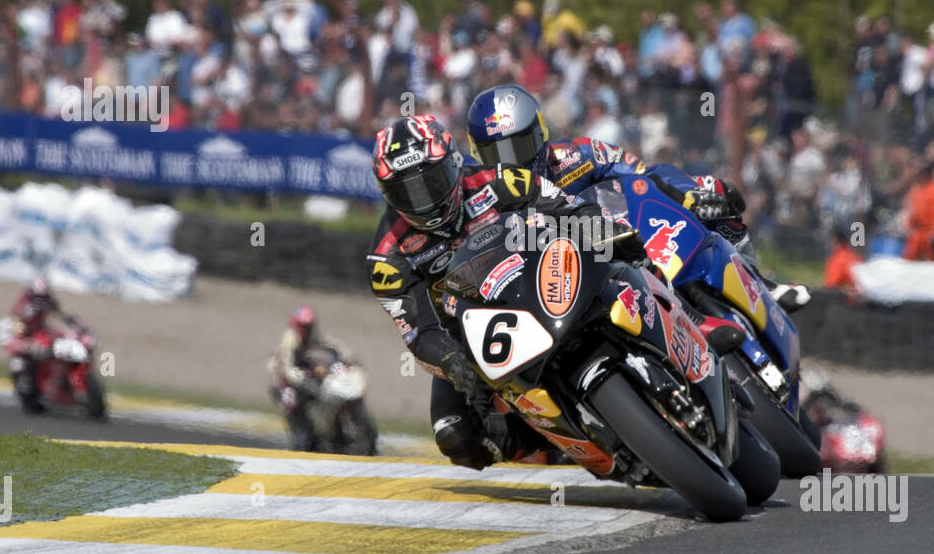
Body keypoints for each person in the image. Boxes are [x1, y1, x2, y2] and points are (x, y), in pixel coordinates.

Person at [367, 114, 648, 470]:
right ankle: (555, 439)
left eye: (431, 182)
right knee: (455, 436)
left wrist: (600, 227)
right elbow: (419, 332)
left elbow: (563, 205)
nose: (423, 201)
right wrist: (454, 364)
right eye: (406, 191)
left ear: (454, 164)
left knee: (618, 261)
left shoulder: (498, 180)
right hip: (468, 336)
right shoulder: (387, 258)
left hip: (540, 281)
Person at [463, 83, 811, 313]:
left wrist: (691, 194)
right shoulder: (484, 204)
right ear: (480, 156)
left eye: (520, 146)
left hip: (624, 242)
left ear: (540, 132)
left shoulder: (579, 153)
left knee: (708, 189)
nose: (515, 163)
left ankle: (759, 285)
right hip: (565, 290)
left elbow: (644, 174)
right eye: (499, 155)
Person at [267, 305, 357, 449]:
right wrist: (296, 376)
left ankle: (329, 430)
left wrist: (343, 352)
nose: (308, 329)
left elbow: (325, 343)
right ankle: (301, 438)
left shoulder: (310, 334)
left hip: (302, 370)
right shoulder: (290, 339)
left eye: (309, 325)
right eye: (304, 326)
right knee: (293, 404)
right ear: (296, 325)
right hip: (286, 379)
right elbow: (286, 365)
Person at [4, 277, 68, 414]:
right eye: (38, 296)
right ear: (31, 293)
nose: (40, 300)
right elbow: (16, 325)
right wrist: (23, 339)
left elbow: (60, 314)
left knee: (59, 349)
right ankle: (28, 396)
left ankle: (61, 383)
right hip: (26, 337)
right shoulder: (23, 307)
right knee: (20, 364)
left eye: (43, 296)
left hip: (40, 333)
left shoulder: (49, 302)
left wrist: (71, 326)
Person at [900, 164, 934, 261]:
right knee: (908, 259)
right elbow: (909, 208)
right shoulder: (916, 189)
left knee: (932, 262)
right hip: (916, 232)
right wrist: (907, 225)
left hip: (930, 233)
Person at [823, 227, 863, 291]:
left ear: (834, 241)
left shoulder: (838, 259)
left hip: (843, 297)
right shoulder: (856, 257)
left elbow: (832, 284)